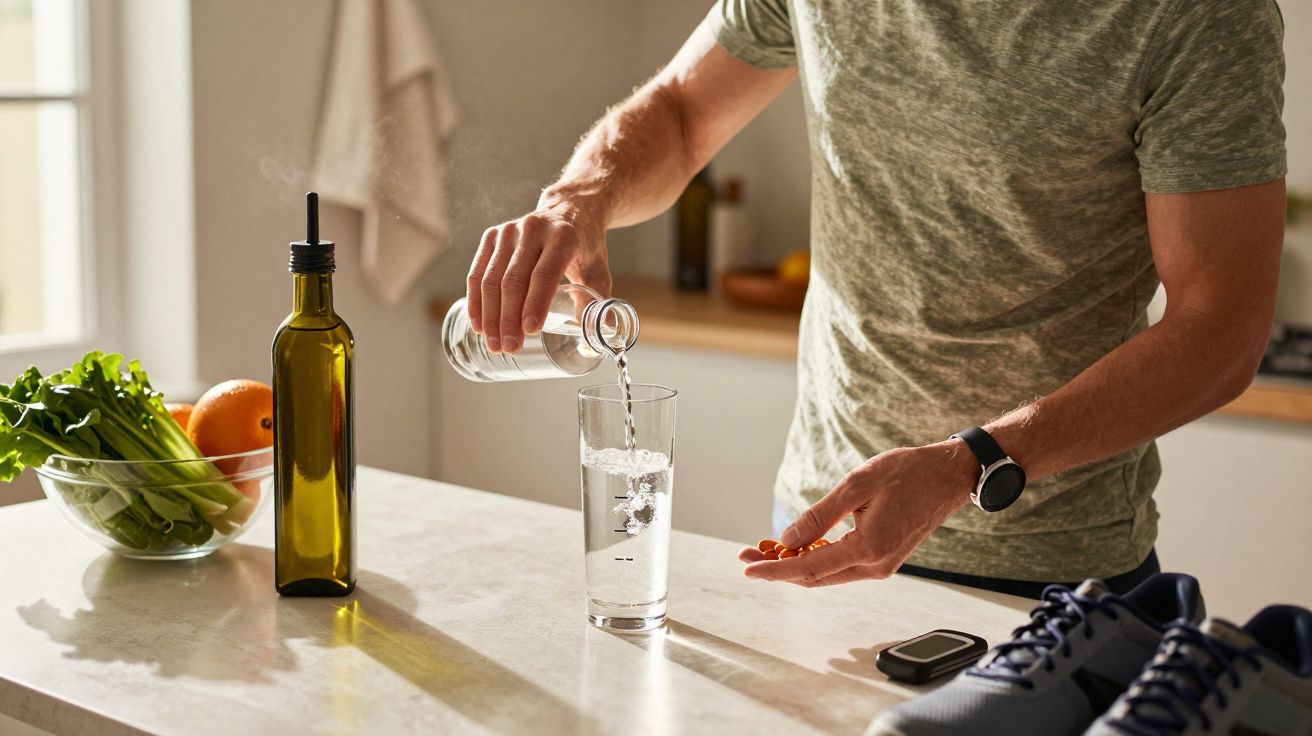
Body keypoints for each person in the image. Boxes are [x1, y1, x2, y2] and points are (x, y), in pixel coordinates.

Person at [463, 0, 1286, 598]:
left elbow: (1222, 327)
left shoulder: (1199, 16)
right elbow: (680, 114)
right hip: (816, 533)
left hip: (1048, 573)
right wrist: (579, 198)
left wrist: (971, 462)